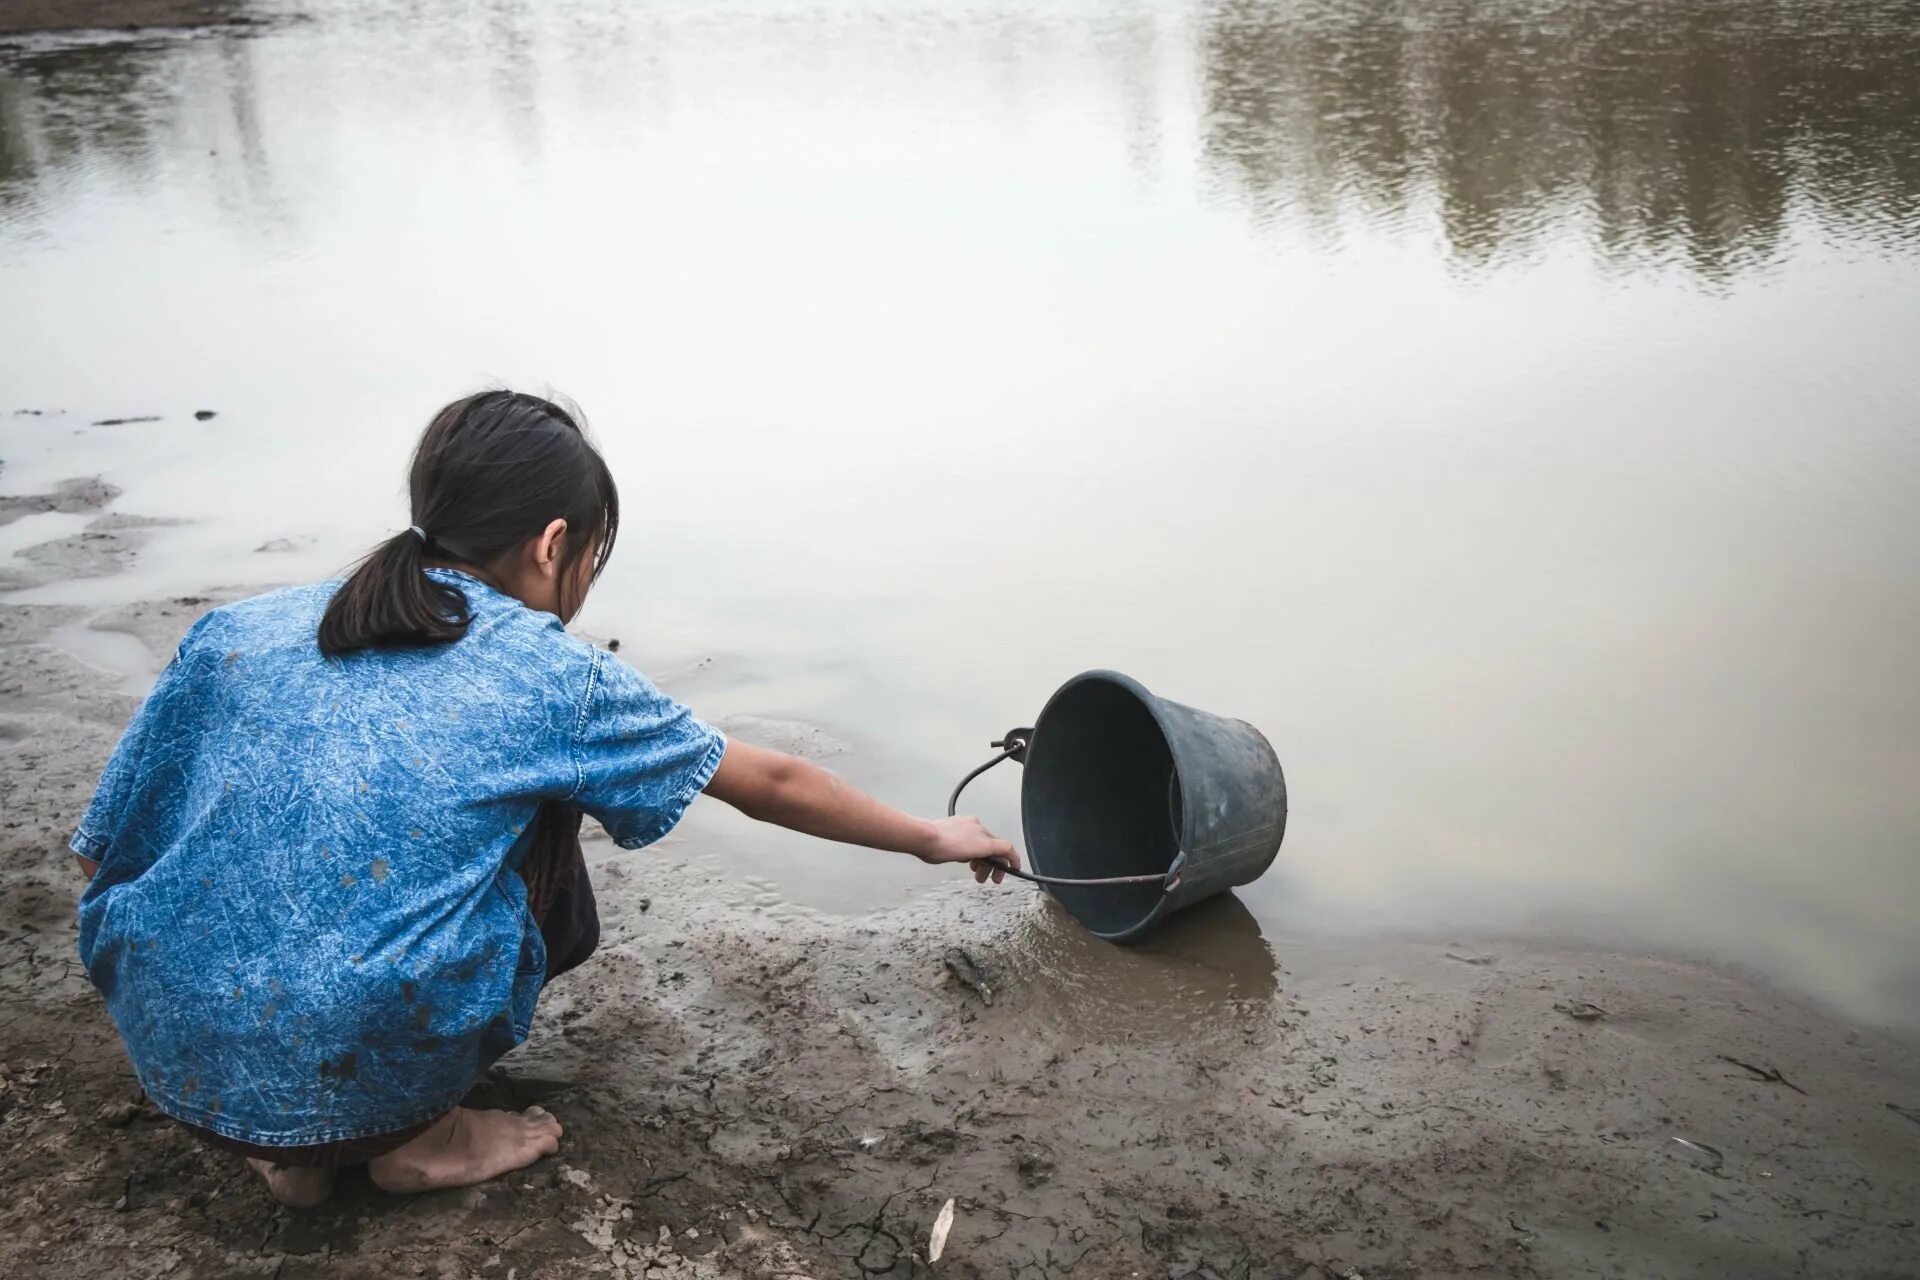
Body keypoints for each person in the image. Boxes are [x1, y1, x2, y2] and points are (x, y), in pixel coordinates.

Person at [70, 389, 1020, 1208]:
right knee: (552, 820)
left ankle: (295, 1155)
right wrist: (928, 836)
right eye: (589, 558)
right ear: (554, 543)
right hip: (356, 1054)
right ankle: (417, 1137)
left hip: (178, 1059)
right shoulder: (546, 673)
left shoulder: (240, 628)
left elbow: (101, 845)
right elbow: (767, 782)